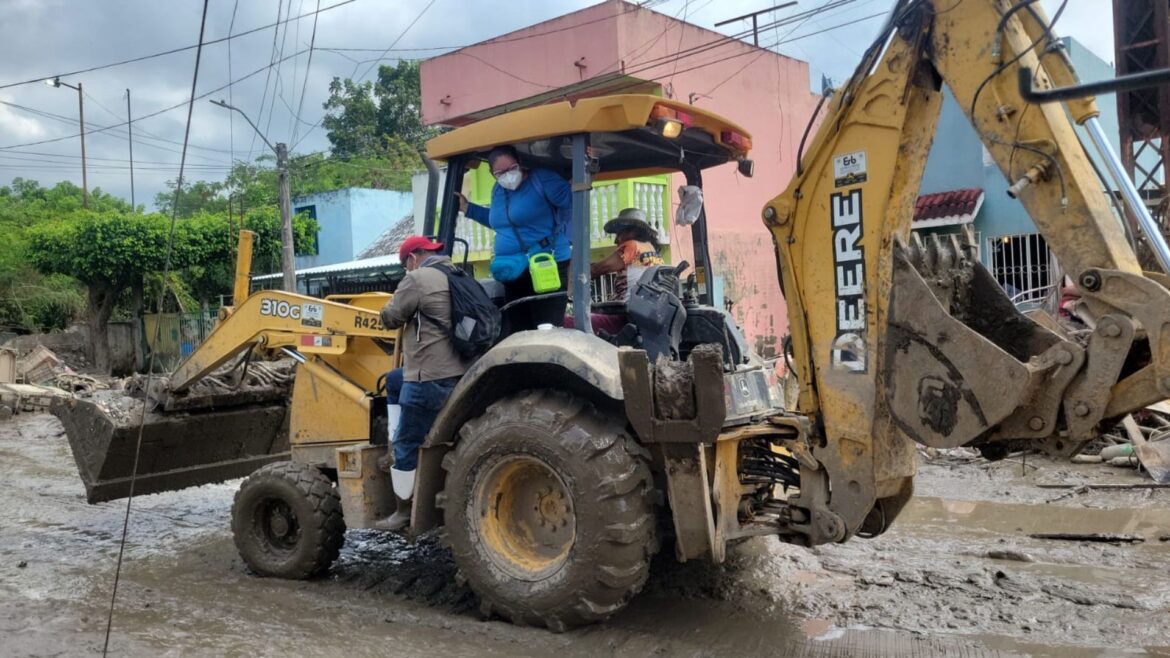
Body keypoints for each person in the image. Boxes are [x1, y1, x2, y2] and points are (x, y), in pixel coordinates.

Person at [376, 235, 470, 531]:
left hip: (429, 376)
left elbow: (390, 317)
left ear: (411, 258)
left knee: (408, 442)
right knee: (393, 379)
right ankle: (391, 437)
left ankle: (403, 510)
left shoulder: (416, 279)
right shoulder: (458, 275)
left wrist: (387, 308)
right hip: (458, 371)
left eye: (406, 265)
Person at [456, 145, 572, 328]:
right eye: (500, 173)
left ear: (520, 164)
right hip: (514, 269)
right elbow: (502, 223)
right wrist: (468, 209)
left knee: (545, 328)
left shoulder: (541, 180)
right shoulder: (498, 190)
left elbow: (573, 199)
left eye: (511, 169)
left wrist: (585, 166)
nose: (507, 176)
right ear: (492, 173)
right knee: (518, 330)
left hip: (546, 262)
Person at [563, 208, 665, 336]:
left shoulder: (632, 246)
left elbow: (596, 270)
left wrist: (567, 274)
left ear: (632, 231)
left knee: (566, 322)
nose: (616, 240)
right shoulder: (652, 250)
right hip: (645, 316)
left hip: (625, 318)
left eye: (619, 233)